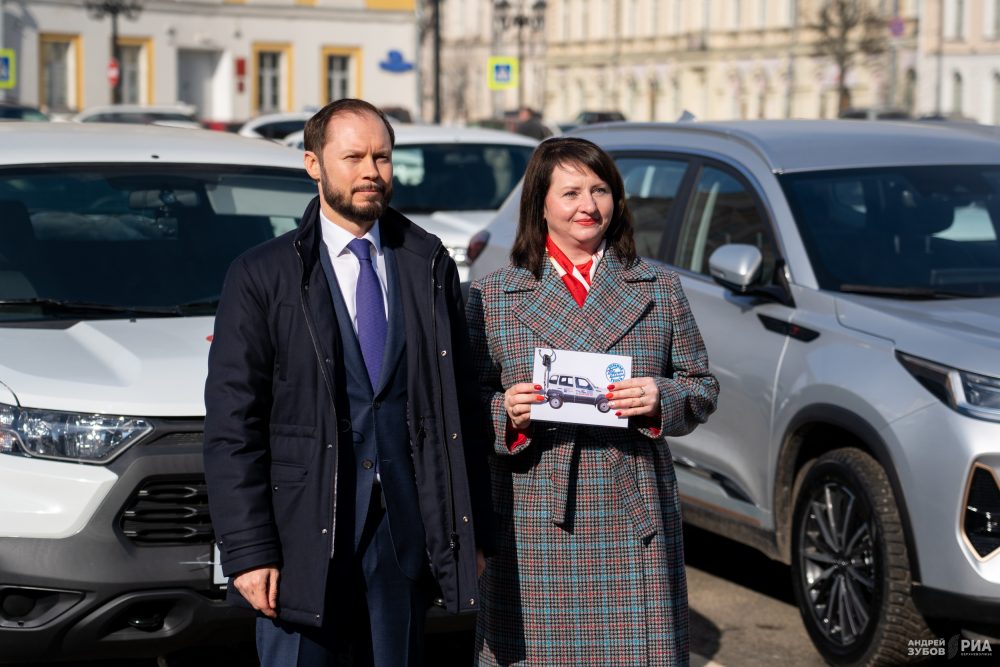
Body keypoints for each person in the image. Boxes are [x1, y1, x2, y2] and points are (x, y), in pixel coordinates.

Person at [203, 98, 492, 667]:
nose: (370, 172)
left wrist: (470, 527)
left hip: (402, 537)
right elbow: (233, 424)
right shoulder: (264, 273)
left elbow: (457, 403)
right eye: (353, 156)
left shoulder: (425, 260)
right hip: (299, 537)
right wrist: (248, 549)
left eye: (382, 157)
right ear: (313, 164)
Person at [466, 137, 720, 665]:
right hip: (532, 513)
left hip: (632, 511)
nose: (589, 206)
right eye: (572, 192)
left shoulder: (659, 287)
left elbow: (702, 387)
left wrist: (659, 396)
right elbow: (463, 403)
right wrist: (505, 411)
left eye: (601, 190)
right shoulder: (492, 296)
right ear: (539, 203)